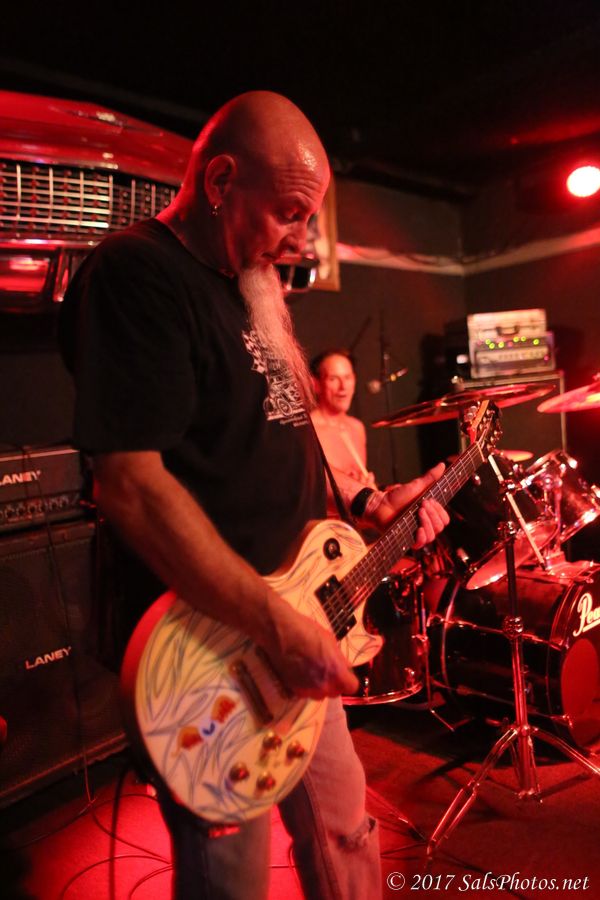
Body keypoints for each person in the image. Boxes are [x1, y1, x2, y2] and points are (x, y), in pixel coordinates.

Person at [58, 90, 449, 900]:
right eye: (289, 214)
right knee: (231, 880)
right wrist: (274, 623)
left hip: (304, 617)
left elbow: (279, 439)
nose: (301, 240)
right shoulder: (138, 274)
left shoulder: (254, 280)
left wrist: (368, 507)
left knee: (347, 835)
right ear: (220, 181)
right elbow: (130, 483)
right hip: (212, 651)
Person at [310, 349, 377, 513]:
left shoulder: (357, 427)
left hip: (357, 519)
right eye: (333, 379)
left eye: (347, 378)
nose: (343, 387)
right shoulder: (309, 430)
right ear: (315, 384)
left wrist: (368, 488)